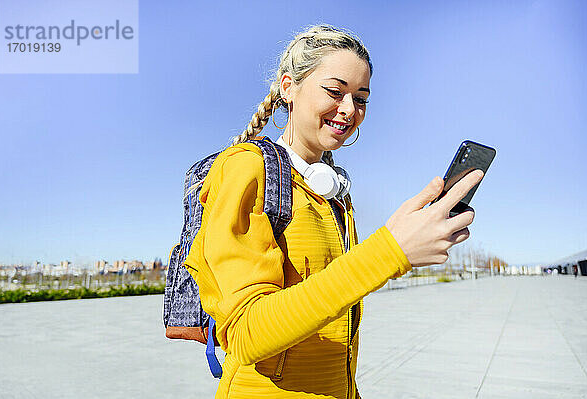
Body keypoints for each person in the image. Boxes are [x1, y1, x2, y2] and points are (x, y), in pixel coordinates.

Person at [185, 24, 482, 399]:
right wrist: (391, 251)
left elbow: (329, 309)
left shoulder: (335, 194)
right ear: (289, 87)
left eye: (361, 98)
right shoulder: (245, 170)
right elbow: (247, 333)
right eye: (334, 91)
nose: (349, 109)